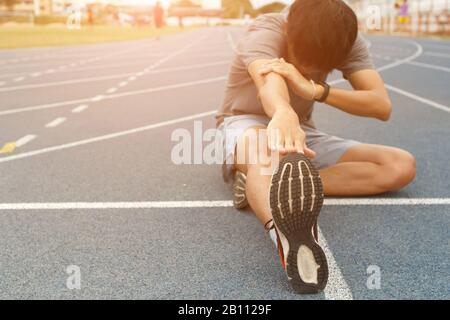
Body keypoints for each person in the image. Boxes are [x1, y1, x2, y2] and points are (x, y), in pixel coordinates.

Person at [216, 0, 416, 294]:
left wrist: (316, 90)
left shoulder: (343, 37)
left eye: (319, 67)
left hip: (301, 129)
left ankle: (279, 185)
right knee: (263, 149)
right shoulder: (268, 29)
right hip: (245, 123)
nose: (309, 69)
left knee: (400, 166)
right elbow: (268, 79)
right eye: (301, 59)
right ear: (289, 32)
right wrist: (283, 112)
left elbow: (380, 105)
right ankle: (285, 238)